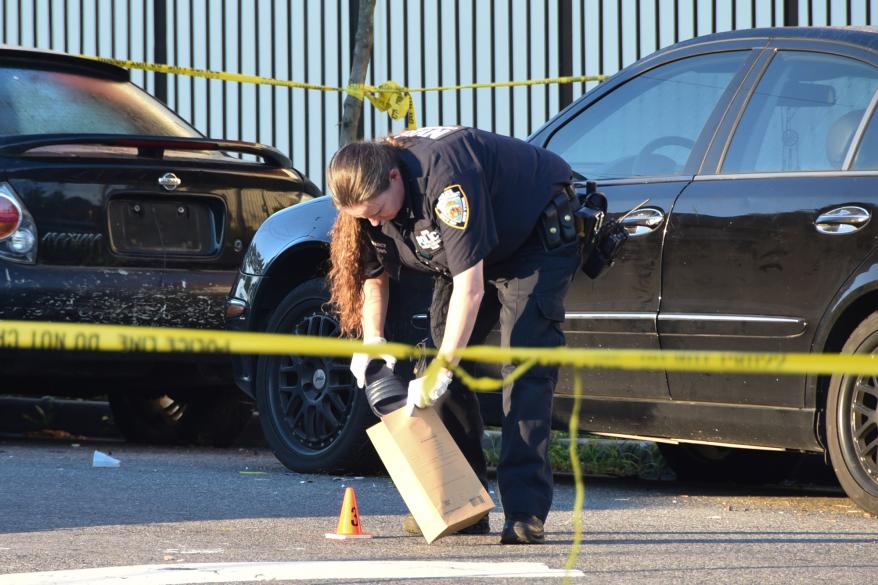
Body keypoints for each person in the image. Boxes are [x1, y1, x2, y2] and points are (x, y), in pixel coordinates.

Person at [327, 125, 579, 545]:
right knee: (437, 369)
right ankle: (462, 506)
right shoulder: (367, 202)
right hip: (463, 256)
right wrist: (372, 339)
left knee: (523, 364)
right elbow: (374, 277)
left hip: (532, 237)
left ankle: (524, 512)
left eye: (377, 210)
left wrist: (447, 364)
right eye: (363, 216)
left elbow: (472, 287)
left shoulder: (445, 185)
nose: (372, 221)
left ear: (393, 177)